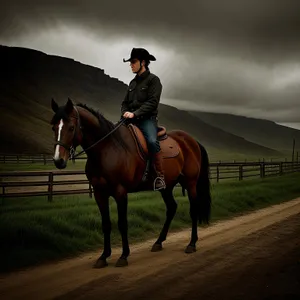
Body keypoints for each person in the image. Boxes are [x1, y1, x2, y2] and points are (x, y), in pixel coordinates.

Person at [121, 47, 166, 190]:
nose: (131, 65)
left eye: (133, 61)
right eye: (130, 62)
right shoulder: (132, 83)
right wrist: (125, 112)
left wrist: (135, 113)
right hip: (130, 120)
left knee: (152, 141)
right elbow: (125, 103)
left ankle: (159, 176)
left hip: (147, 120)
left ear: (143, 62)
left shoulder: (154, 81)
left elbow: (153, 103)